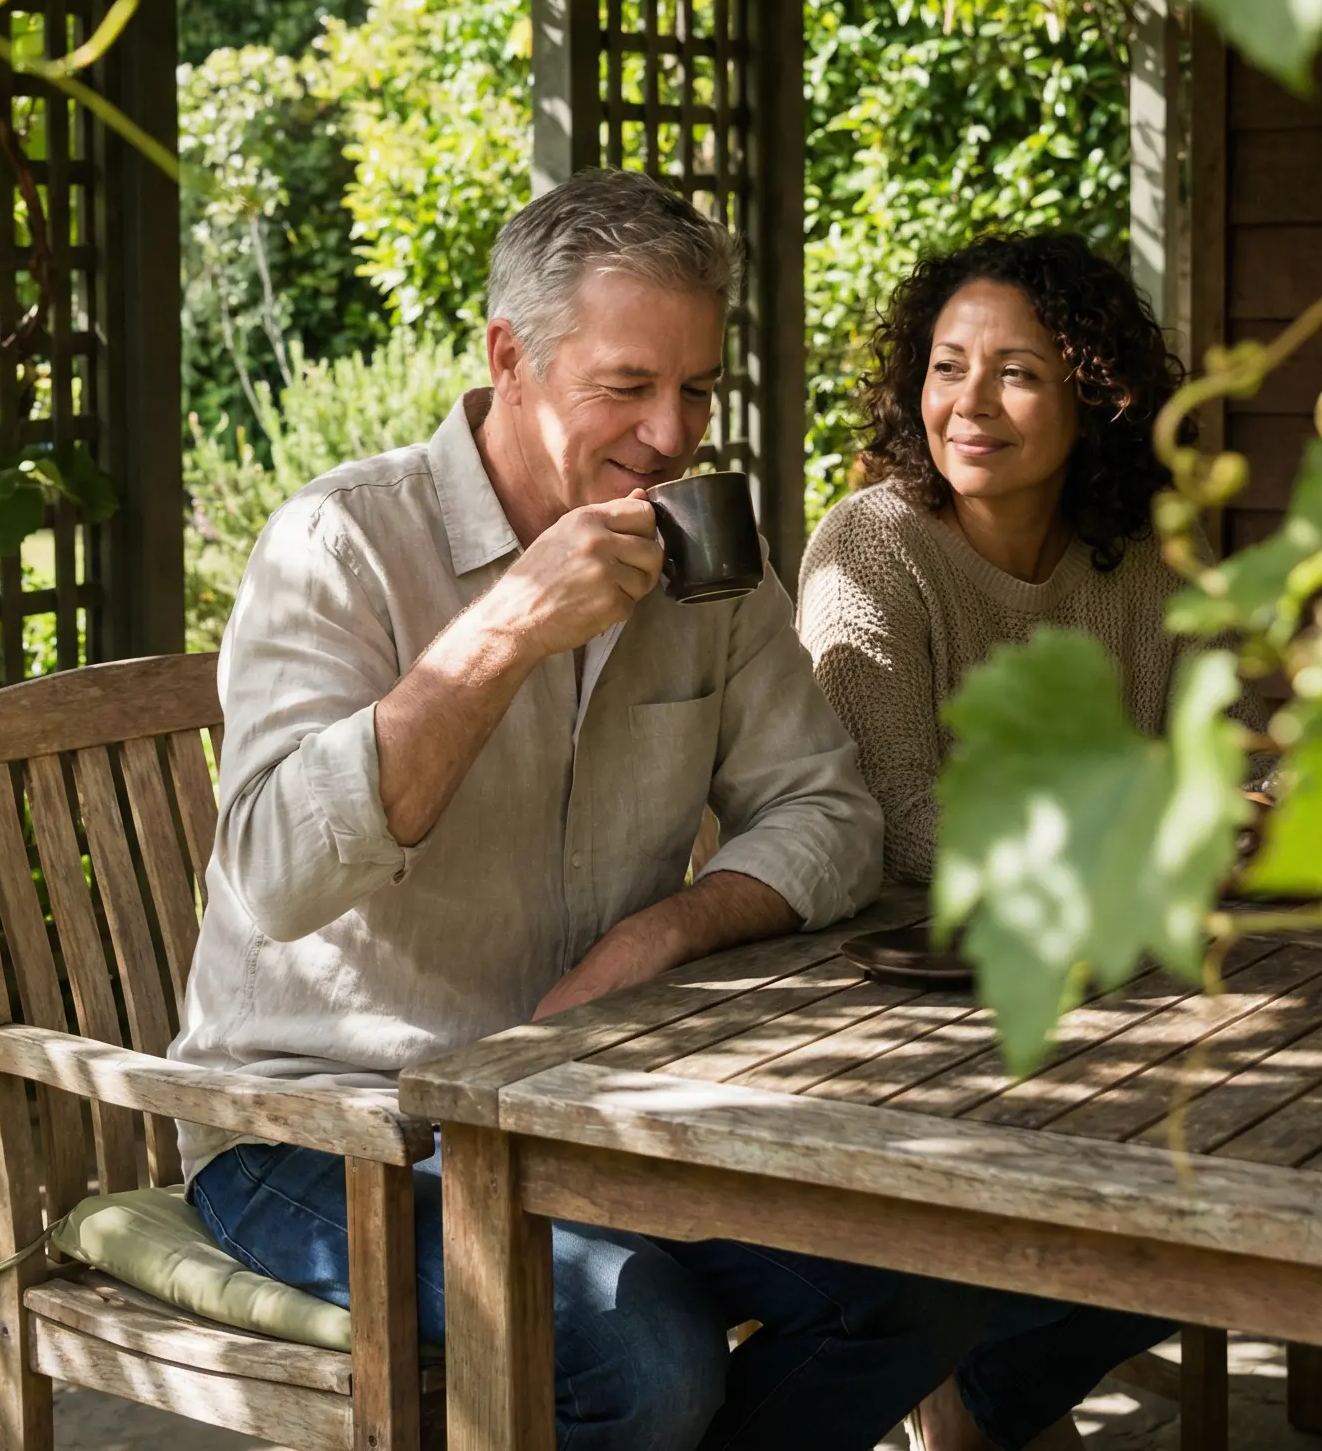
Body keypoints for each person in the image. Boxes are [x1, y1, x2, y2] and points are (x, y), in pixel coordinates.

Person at [170, 169, 988, 1451]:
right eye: (627, 386)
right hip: (328, 1121)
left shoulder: (707, 554)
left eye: (697, 386)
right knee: (643, 1349)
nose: (673, 433)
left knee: (921, 1283)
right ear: (509, 356)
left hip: (590, 1100)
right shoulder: (337, 543)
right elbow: (274, 875)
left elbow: (828, 815)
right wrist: (503, 631)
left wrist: (654, 938)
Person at [798, 231, 1227, 1451]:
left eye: (1016, 373)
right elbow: (901, 814)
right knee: (1139, 1206)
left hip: (1111, 979)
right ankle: (965, 1396)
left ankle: (976, 1397)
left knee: (1212, 1192)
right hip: (886, 991)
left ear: (1094, 396)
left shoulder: (1141, 558)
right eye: (945, 367)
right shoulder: (869, 548)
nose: (967, 405)